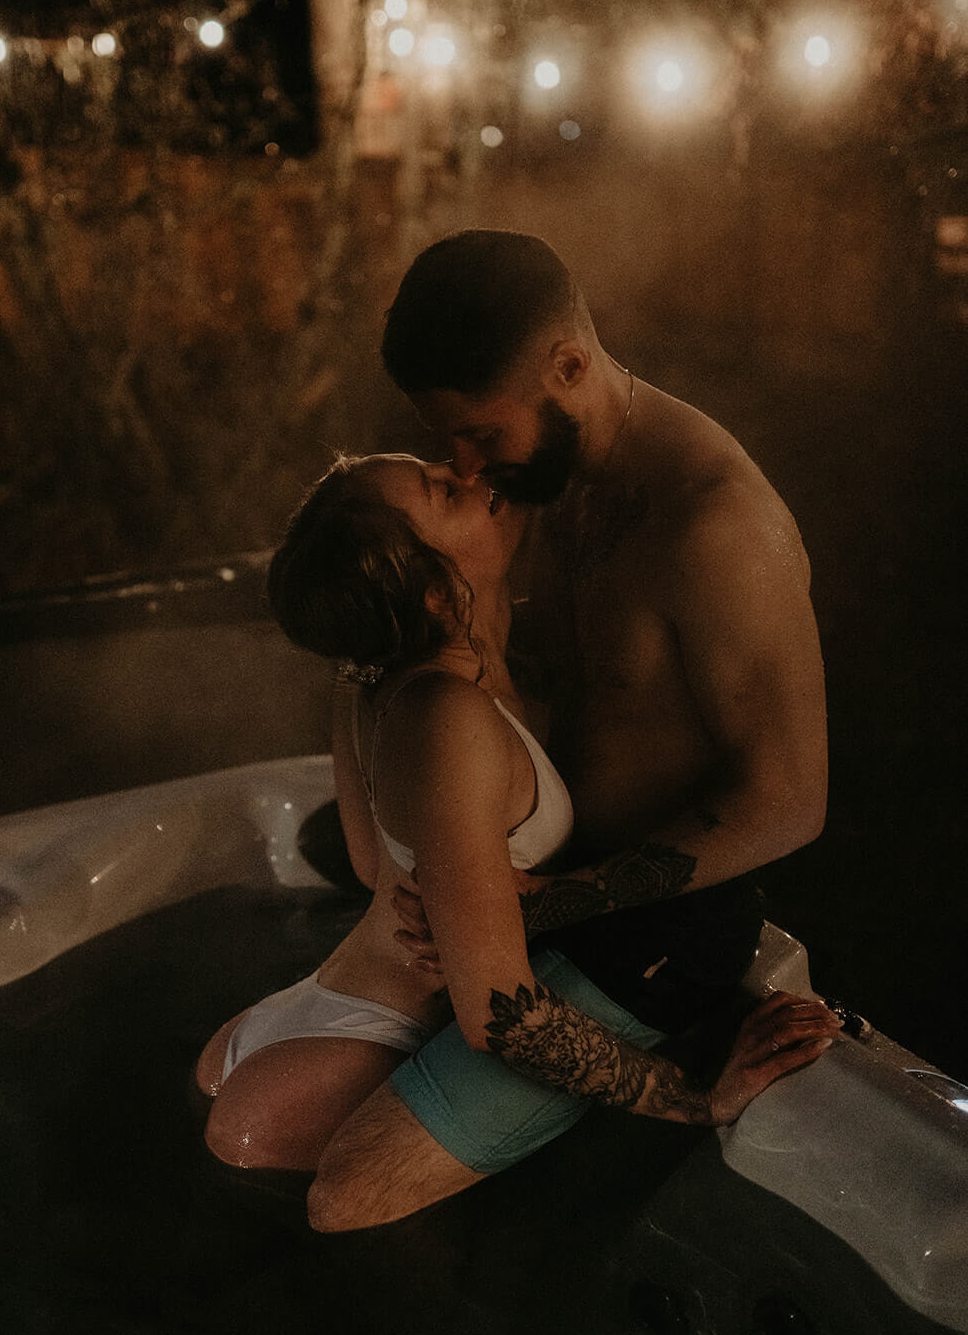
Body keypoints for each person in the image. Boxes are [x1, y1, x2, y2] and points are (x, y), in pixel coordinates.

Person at [303, 230, 831, 1231]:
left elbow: (789, 801)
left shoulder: (713, 526)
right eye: (445, 439)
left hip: (649, 930)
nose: (462, 465)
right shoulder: (546, 478)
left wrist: (546, 906)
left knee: (347, 1186)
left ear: (569, 368)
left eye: (477, 436)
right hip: (536, 878)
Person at [195, 449, 838, 1212]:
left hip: (290, 1021)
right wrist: (695, 1101)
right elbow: (501, 1016)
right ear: (435, 589)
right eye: (443, 491)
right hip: (347, 1050)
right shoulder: (448, 718)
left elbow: (374, 864)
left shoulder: (376, 673)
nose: (471, 476)